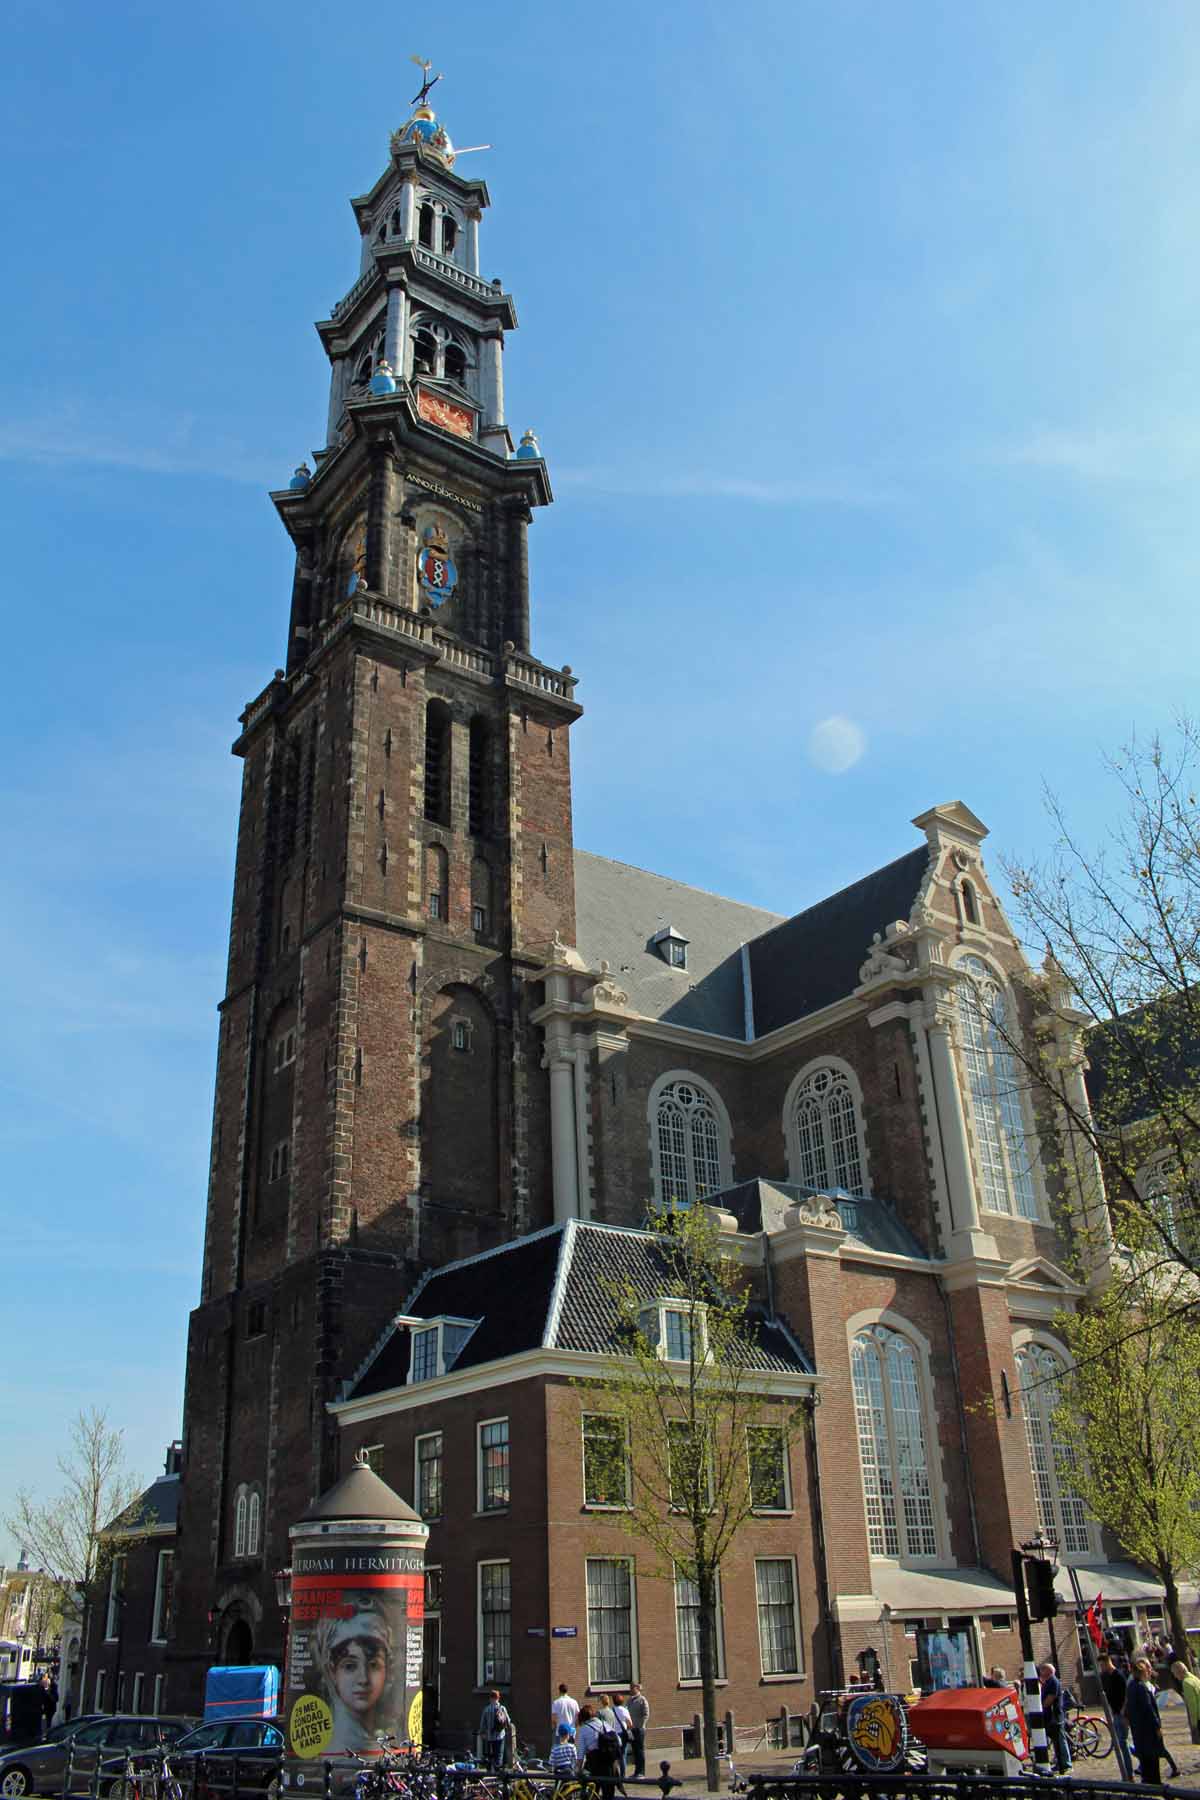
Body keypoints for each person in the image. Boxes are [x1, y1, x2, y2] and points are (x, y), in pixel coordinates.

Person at [315, 1601, 394, 1752]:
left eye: (373, 1665)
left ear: (388, 1668)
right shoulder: (333, 1745)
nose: (363, 1679)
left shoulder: (385, 1735)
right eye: (350, 1666)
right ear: (332, 1671)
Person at [1126, 1658, 1166, 1786]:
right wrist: (1157, 1727)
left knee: (1145, 1760)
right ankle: (1155, 1784)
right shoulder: (1142, 1688)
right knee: (1152, 1761)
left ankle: (1147, 1782)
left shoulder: (1131, 1687)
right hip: (1148, 1732)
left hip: (1138, 1732)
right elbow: (1149, 1709)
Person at [1098, 1652, 1133, 1780]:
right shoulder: (1106, 1676)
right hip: (1115, 1713)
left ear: (1108, 1662)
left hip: (1121, 1713)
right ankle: (1136, 1755)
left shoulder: (1118, 1675)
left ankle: (1129, 1774)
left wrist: (1124, 1713)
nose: (1101, 1668)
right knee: (1121, 1742)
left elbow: (1125, 1695)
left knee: (1122, 1743)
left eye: (1102, 1665)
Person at [578, 1702, 625, 1793]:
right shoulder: (604, 1724)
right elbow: (619, 1741)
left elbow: (581, 1753)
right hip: (609, 1765)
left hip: (594, 1765)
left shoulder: (584, 1729)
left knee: (593, 1793)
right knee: (608, 1793)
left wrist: (578, 1769)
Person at [1038, 1662, 1071, 1775]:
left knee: (1059, 1741)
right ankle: (1060, 1762)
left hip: (1054, 1717)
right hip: (1050, 1717)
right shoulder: (1048, 1682)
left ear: (1047, 1672)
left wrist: (1041, 1706)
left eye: (1042, 1670)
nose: (1040, 1672)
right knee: (1057, 1741)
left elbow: (1050, 1699)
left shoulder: (1053, 1682)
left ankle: (1064, 1764)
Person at [479, 1690, 512, 1770]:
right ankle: (498, 1771)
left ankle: (489, 1770)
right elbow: (508, 1721)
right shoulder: (502, 1708)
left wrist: (482, 1733)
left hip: (489, 1736)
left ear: (490, 1698)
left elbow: (482, 1723)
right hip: (500, 1735)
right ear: (498, 1698)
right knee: (499, 1754)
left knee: (490, 1754)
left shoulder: (486, 1709)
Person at [1171, 1660, 1200, 1746]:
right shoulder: (1195, 1679)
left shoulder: (1186, 1683)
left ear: (1179, 1672)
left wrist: (1194, 1724)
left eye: (1174, 1674)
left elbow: (1192, 1705)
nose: (1175, 1677)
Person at [626, 1683, 650, 1778]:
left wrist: (641, 1726)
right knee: (635, 1750)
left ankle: (641, 1772)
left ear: (637, 1688)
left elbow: (646, 1714)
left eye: (632, 1688)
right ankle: (636, 1772)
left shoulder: (642, 1700)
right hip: (632, 1729)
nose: (630, 1690)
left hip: (639, 1729)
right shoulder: (629, 1700)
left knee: (640, 1750)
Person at [612, 1693, 633, 1776]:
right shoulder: (624, 1710)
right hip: (622, 1734)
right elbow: (630, 1724)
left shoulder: (611, 1710)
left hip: (614, 1735)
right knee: (623, 1755)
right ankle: (623, 1775)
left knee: (614, 1756)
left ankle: (614, 1775)